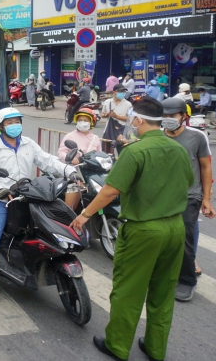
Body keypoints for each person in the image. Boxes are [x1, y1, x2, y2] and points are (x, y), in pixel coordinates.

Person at [70, 98, 193, 361]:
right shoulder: (178, 150)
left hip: (143, 230)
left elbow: (111, 190)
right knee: (163, 292)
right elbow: (187, 183)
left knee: (128, 291)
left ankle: (117, 345)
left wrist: (84, 214)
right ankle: (155, 348)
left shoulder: (135, 151)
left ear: (137, 120)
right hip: (175, 229)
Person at [0, 107, 77, 300]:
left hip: (25, 195)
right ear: (0, 126)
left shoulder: (29, 144)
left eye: (17, 122)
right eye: (10, 123)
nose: (15, 126)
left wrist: (68, 171)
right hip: (0, 199)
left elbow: (47, 161)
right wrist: (0, 191)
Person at [160, 97, 216, 302]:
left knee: (185, 239)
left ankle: (186, 281)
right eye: (164, 116)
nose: (168, 120)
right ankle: (167, 274)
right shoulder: (156, 136)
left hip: (189, 196)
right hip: (161, 197)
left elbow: (205, 167)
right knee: (161, 237)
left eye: (172, 116)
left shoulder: (197, 137)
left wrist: (206, 199)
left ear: (183, 116)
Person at [57, 108, 101, 209]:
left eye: (86, 120)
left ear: (91, 122)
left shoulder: (95, 138)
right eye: (80, 120)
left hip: (91, 174)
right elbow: (61, 152)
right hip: (75, 173)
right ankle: (68, 220)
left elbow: (99, 155)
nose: (83, 123)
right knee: (70, 206)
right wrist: (70, 159)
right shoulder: (70, 136)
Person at [101, 85, 132, 153]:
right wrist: (106, 115)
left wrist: (116, 116)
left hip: (122, 132)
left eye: (124, 91)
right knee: (106, 154)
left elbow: (130, 119)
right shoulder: (107, 102)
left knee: (122, 154)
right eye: (120, 91)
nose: (123, 93)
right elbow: (102, 114)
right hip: (108, 130)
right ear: (114, 92)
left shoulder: (128, 104)